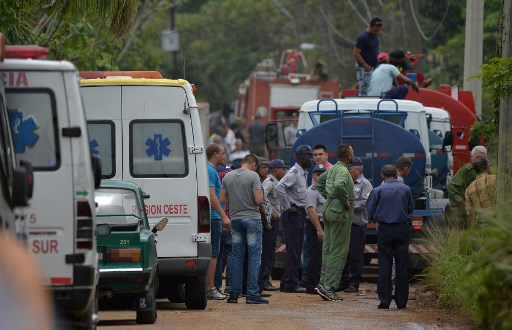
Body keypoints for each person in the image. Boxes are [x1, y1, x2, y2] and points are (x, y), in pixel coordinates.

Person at [221, 154, 269, 304]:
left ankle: (234, 293)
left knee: (236, 256)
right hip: (252, 219)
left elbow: (222, 199)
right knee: (254, 257)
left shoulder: (227, 177)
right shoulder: (253, 176)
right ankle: (253, 294)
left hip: (235, 220)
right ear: (254, 165)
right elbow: (259, 200)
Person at [367, 164, 415, 309]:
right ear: (396, 175)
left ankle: (385, 300)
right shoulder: (406, 189)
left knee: (385, 266)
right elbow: (410, 209)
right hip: (402, 229)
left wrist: (377, 217)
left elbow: (370, 211)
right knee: (401, 266)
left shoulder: (377, 190)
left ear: (383, 175)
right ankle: (401, 302)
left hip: (385, 230)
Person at [315, 144, 355, 301]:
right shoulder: (343, 171)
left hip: (329, 210)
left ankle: (323, 283)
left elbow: (319, 183)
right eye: (352, 153)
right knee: (338, 250)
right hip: (339, 213)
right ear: (349, 156)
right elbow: (339, 185)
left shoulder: (332, 169)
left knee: (328, 248)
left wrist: (329, 197)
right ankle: (329, 287)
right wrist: (344, 201)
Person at [276, 144, 314, 293]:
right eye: (310, 156)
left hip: (298, 214)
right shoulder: (294, 172)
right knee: (293, 250)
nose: (312, 159)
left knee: (296, 249)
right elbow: (280, 187)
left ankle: (287, 282)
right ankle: (291, 283)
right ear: (303, 157)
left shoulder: (302, 173)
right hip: (293, 214)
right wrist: (287, 207)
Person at [339, 157, 373, 293]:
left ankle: (354, 282)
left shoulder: (366, 185)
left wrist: (347, 204)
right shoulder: (345, 182)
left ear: (357, 169)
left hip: (357, 225)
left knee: (355, 255)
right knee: (344, 254)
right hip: (344, 224)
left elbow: (364, 204)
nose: (347, 171)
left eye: (349, 168)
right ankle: (343, 281)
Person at [206, 143, 231, 300]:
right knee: (213, 254)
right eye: (222, 153)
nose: (224, 156)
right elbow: (211, 196)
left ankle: (210, 287)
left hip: (215, 216)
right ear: (215, 154)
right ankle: (210, 288)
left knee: (214, 253)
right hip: (214, 217)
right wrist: (223, 216)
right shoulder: (209, 170)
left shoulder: (211, 170)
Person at [259, 159, 287, 291]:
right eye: (282, 169)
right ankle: (263, 280)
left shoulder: (276, 182)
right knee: (267, 251)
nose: (284, 171)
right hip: (269, 221)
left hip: (274, 221)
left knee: (270, 251)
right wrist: (272, 211)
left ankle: (266, 279)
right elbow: (261, 198)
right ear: (276, 170)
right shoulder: (269, 182)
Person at [447, 145, 488, 229]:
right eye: (477, 157)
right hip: (468, 210)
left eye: (483, 158)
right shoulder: (467, 170)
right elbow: (452, 186)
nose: (480, 160)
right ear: (471, 157)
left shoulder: (488, 170)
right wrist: (461, 203)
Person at [303, 164, 327, 294]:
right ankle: (312, 285)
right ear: (313, 176)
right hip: (316, 225)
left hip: (325, 224)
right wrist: (319, 229)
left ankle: (321, 283)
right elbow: (311, 211)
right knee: (315, 256)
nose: (320, 176)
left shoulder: (326, 190)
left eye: (322, 173)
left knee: (323, 256)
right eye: (317, 174)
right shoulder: (312, 191)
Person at [214, 165, 233, 295]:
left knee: (217, 255)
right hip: (229, 220)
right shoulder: (231, 176)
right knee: (231, 253)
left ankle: (216, 286)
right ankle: (230, 286)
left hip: (217, 219)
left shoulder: (212, 175)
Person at [353, 17, 383, 96]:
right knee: (364, 88)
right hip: (364, 67)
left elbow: (374, 49)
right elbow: (356, 53)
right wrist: (365, 65)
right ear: (370, 26)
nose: (376, 32)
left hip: (373, 67)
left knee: (371, 87)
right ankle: (361, 105)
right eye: (375, 30)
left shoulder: (375, 36)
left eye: (378, 31)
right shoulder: (362, 37)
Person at [465, 157, 497, 226]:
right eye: (490, 165)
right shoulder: (495, 179)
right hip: (495, 222)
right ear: (487, 167)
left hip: (480, 225)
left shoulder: (468, 189)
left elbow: (471, 212)